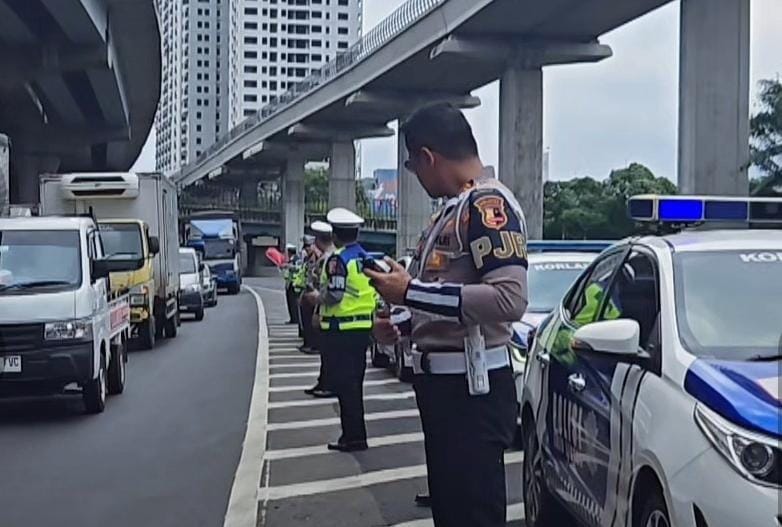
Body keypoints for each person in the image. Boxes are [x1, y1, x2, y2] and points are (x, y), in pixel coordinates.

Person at [365, 103, 528, 527]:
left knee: (472, 514)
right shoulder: (453, 210)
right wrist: (399, 325)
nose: (415, 177)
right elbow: (448, 301)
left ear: (427, 157)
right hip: (446, 390)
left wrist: (411, 290)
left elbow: (509, 300)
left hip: (470, 393)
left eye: (412, 166)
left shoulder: (487, 206)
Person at [319, 208, 377, 452]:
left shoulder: (338, 260)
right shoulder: (366, 257)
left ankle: (353, 437)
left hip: (341, 328)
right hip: (363, 327)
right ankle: (356, 434)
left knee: (346, 386)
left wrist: (316, 298)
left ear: (335, 236)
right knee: (355, 383)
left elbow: (334, 294)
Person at [302, 221, 337, 398]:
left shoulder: (327, 259)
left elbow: (324, 290)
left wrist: (316, 310)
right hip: (327, 311)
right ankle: (323, 382)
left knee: (328, 354)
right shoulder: (328, 257)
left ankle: (327, 384)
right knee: (326, 354)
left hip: (328, 312)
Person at [283, 244, 299, 325]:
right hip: (289, 283)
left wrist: (288, 266)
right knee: (290, 302)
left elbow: (297, 268)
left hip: (294, 284)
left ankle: (295, 319)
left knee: (293, 303)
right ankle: (292, 318)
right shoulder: (290, 260)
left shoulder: (296, 259)